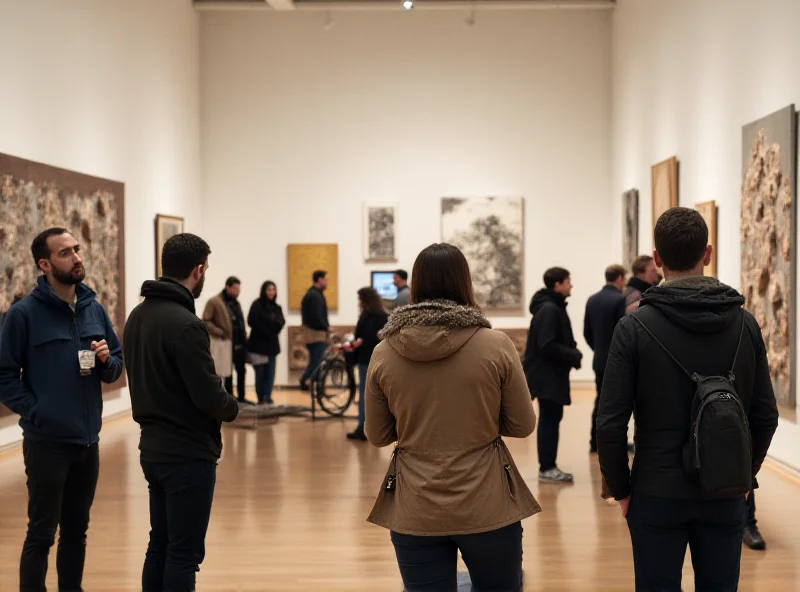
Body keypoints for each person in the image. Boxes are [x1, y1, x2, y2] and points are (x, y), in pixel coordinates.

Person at [597, 207, 779, 592]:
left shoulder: (633, 327)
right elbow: (765, 415)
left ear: (657, 259)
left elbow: (610, 423)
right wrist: (746, 477)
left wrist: (621, 490)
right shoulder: (744, 324)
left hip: (655, 489)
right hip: (725, 489)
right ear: (708, 254)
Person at [365, 243, 540, 592]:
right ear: (465, 283)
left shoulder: (384, 352)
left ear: (415, 286)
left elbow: (378, 434)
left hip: (415, 504)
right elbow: (522, 424)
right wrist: (483, 420)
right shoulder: (496, 344)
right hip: (487, 500)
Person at [0, 227, 123, 591]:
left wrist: (106, 361)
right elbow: (4, 375)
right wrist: (37, 412)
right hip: (47, 444)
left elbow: (116, 364)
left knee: (77, 531)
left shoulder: (93, 308)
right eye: (66, 253)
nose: (77, 257)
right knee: (41, 532)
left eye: (77, 249)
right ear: (45, 263)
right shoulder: (23, 314)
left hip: (88, 443)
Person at [123, 233, 239, 592]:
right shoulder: (187, 324)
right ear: (198, 270)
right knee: (184, 554)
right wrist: (233, 406)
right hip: (187, 453)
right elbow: (207, 395)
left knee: (160, 543)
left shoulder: (137, 316)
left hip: (152, 449)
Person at [523, 267, 582, 483]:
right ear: (558, 284)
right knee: (549, 419)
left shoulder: (551, 306)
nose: (571, 285)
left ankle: (548, 466)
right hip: (547, 375)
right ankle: (547, 468)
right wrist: (573, 354)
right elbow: (547, 344)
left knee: (551, 418)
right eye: (568, 281)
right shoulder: (549, 309)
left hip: (549, 374)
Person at [584, 264, 627, 453]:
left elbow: (587, 332)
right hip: (616, 360)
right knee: (616, 404)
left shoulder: (592, 300)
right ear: (619, 278)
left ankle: (595, 441)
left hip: (599, 359)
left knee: (600, 400)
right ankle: (613, 444)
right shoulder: (619, 300)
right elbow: (622, 332)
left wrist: (598, 349)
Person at [345, 287, 388, 441]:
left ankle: (363, 428)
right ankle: (367, 427)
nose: (358, 302)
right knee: (369, 394)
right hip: (368, 358)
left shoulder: (375, 316)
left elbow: (370, 337)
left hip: (369, 359)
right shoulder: (377, 315)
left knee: (365, 394)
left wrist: (360, 342)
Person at [203, 277, 250, 404]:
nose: (237, 292)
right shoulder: (214, 302)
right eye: (235, 289)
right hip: (225, 344)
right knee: (227, 372)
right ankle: (229, 399)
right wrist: (220, 332)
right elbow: (206, 320)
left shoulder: (236, 303)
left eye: (239, 289)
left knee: (241, 370)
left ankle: (241, 398)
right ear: (227, 287)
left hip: (239, 343)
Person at [246, 281, 285, 408]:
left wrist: (270, 326)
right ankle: (261, 399)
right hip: (258, 346)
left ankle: (268, 397)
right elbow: (252, 321)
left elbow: (280, 323)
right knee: (260, 374)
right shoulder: (257, 305)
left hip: (272, 347)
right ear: (264, 291)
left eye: (273, 290)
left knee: (270, 374)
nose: (271, 292)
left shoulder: (277, 307)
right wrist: (269, 328)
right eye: (269, 290)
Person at [299, 270, 330, 391]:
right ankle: (306, 382)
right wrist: (326, 327)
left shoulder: (315, 294)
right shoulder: (314, 295)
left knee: (316, 361)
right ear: (320, 280)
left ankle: (316, 385)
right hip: (315, 335)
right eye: (325, 279)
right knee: (316, 362)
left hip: (315, 334)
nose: (327, 282)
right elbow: (316, 316)